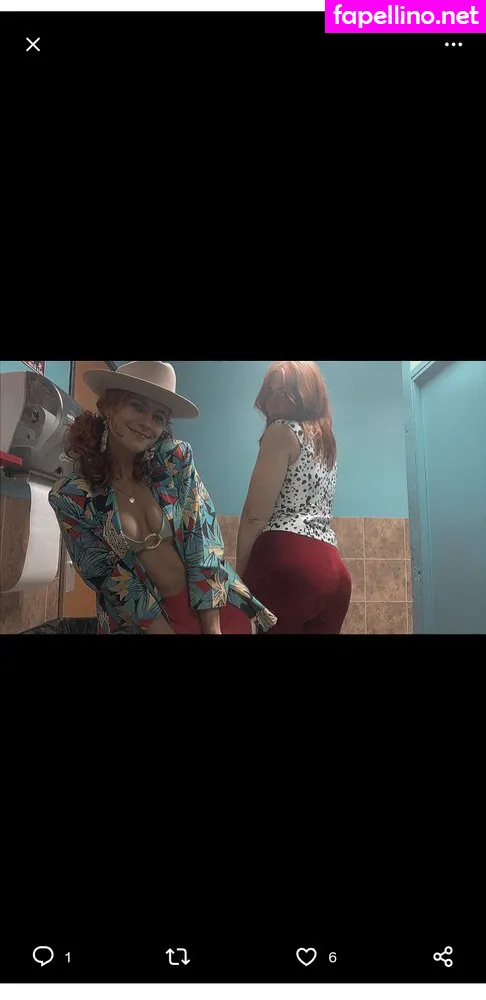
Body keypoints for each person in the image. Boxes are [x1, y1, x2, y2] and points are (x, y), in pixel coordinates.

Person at [49, 361, 277, 636]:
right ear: (108, 407)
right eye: (137, 407)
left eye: (158, 417)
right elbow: (112, 581)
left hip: (214, 608)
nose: (147, 423)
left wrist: (212, 629)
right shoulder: (73, 496)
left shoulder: (173, 462)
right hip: (144, 624)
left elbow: (203, 541)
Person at [236, 361, 352, 634]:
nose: (273, 400)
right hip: (334, 571)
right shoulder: (325, 441)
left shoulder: (281, 431)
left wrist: (239, 578)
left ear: (306, 393)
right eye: (270, 392)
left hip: (288, 565)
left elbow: (254, 514)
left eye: (284, 391)